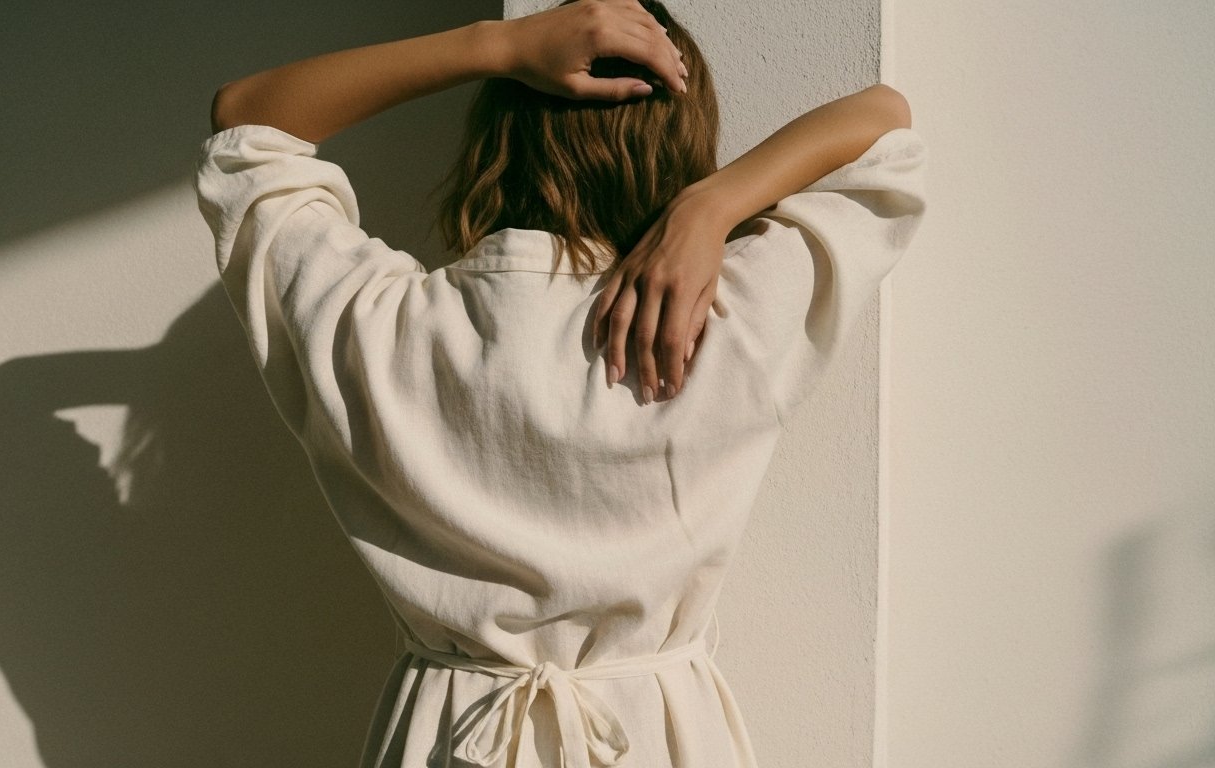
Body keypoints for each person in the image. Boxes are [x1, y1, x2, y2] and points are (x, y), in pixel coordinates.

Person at [193, 1, 926, 765]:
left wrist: (500, 46)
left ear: (494, 143)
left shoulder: (378, 326)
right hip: (658, 738)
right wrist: (713, 205)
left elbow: (247, 121)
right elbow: (887, 124)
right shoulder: (727, 324)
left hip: (446, 738)